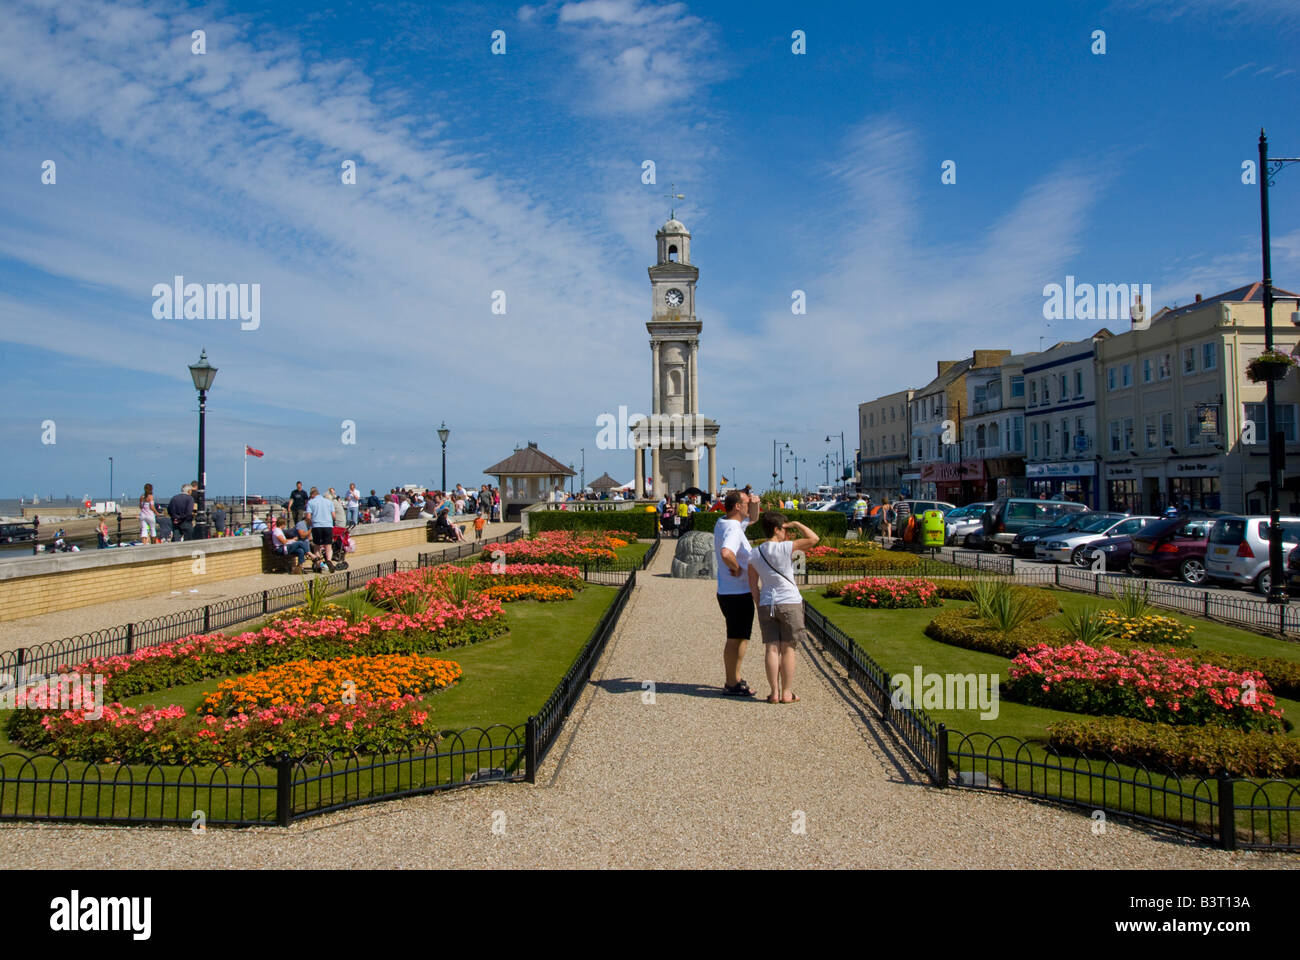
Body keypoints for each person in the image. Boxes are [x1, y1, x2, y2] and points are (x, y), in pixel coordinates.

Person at [747, 512, 819, 703]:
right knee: (788, 648)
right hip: (789, 600)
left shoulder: (755, 553)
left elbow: (753, 585)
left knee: (771, 648)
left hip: (767, 602)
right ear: (777, 529)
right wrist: (797, 524)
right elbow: (814, 539)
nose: (786, 533)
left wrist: (759, 603)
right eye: (784, 529)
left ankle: (774, 692)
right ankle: (787, 692)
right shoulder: (786, 548)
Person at [715, 488, 762, 697]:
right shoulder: (733, 529)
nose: (748, 505)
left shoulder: (725, 522)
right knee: (738, 638)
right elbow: (726, 553)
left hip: (728, 591)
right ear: (737, 507)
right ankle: (732, 681)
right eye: (744, 502)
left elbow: (752, 518)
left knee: (736, 636)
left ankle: (733, 678)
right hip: (737, 592)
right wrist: (736, 568)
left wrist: (754, 503)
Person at [305, 486, 336, 570]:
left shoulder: (311, 502)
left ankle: (318, 564)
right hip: (328, 525)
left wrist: (310, 523)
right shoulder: (329, 502)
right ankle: (329, 560)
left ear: (312, 495)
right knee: (328, 546)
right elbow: (334, 516)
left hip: (316, 526)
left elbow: (308, 516)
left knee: (317, 546)